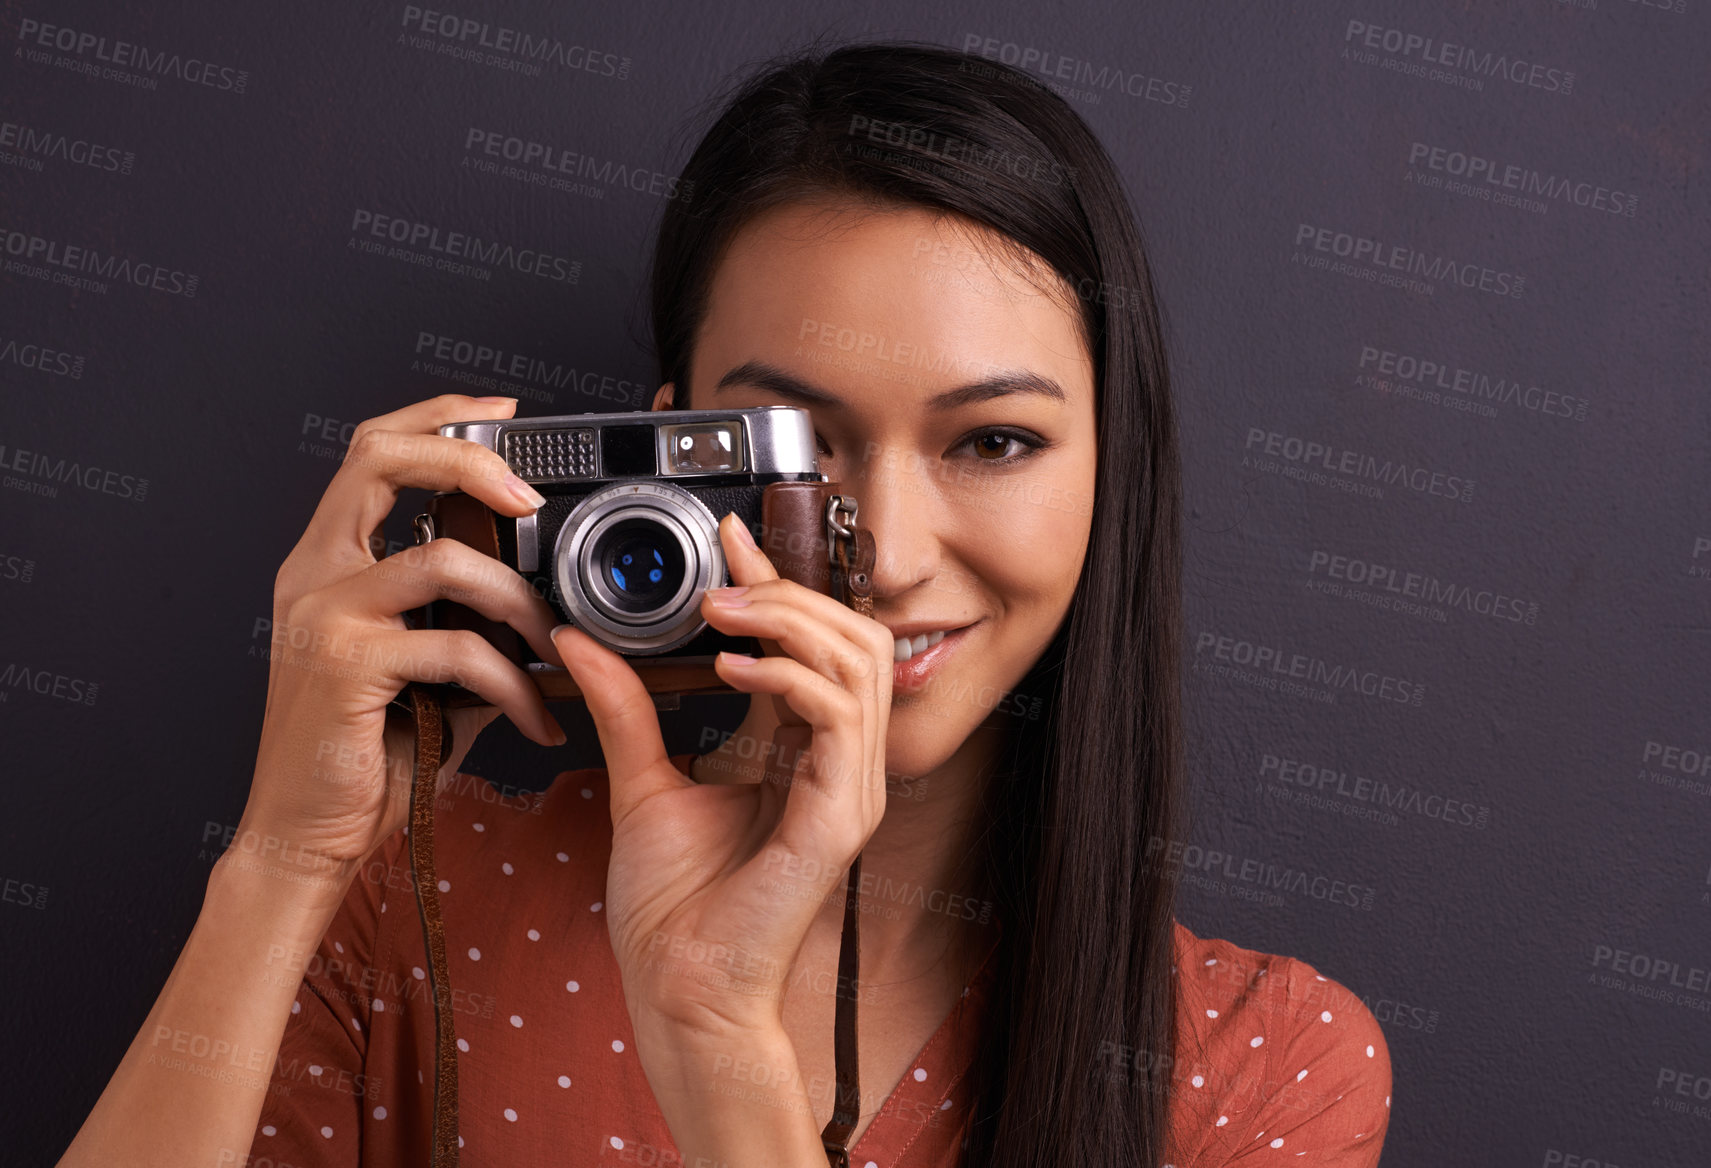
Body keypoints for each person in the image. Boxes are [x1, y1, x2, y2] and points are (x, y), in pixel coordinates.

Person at [53, 39, 1391, 1168]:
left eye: (991, 443)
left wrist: (716, 1041)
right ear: (658, 469)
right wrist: (281, 864)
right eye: (797, 449)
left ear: (1115, 471)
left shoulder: (1260, 1069)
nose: (896, 553)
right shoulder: (414, 896)